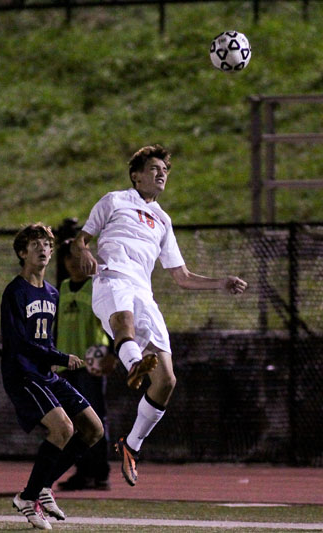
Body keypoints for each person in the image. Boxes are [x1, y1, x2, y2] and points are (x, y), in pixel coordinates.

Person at [70, 144, 248, 487]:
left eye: (164, 170)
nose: (162, 173)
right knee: (124, 323)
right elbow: (80, 240)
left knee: (166, 381)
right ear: (136, 176)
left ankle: (132, 445)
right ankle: (134, 363)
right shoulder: (114, 200)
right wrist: (84, 252)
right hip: (111, 279)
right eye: (154, 169)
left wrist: (220, 283)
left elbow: (181, 276)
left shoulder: (164, 220)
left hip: (144, 293)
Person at [1, 223, 104, 530]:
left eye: (47, 244)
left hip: (46, 374)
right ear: (22, 253)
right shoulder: (15, 291)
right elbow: (19, 342)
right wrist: (61, 357)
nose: (44, 249)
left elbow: (44, 340)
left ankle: (42, 487)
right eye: (36, 245)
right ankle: (28, 499)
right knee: (62, 428)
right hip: (23, 374)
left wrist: (55, 362)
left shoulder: (53, 292)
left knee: (93, 429)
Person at [55, 239, 113, 491]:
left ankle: (100, 472)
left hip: (91, 362)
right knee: (74, 421)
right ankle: (82, 471)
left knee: (95, 418)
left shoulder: (98, 286)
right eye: (68, 257)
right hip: (67, 364)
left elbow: (114, 320)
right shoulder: (63, 288)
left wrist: (112, 352)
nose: (74, 263)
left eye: (78, 256)